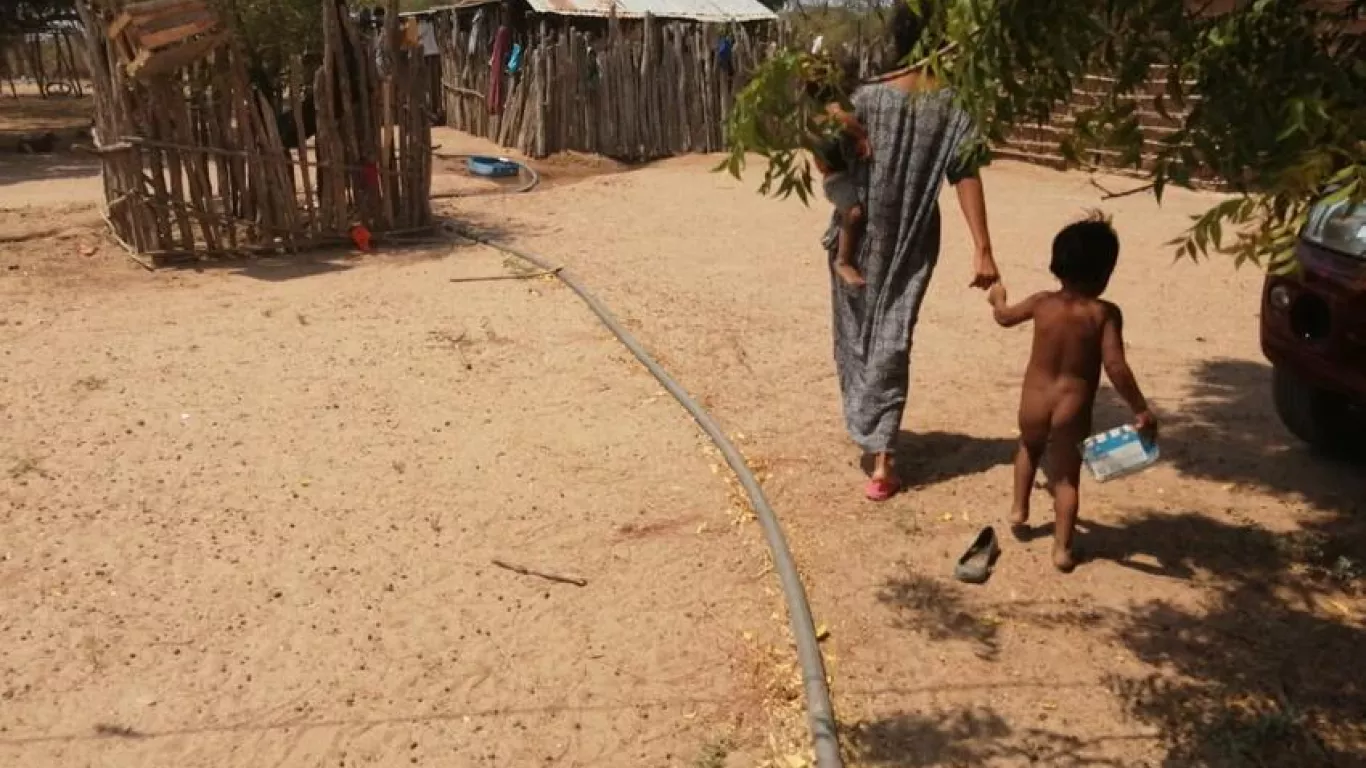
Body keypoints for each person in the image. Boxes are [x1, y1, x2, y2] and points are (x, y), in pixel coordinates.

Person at [827, 0, 1000, 501]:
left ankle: (880, 448)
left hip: (866, 233)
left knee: (865, 334)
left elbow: (827, 151)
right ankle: (879, 442)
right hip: (911, 236)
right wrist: (983, 249)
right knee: (892, 335)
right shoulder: (952, 105)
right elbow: (966, 174)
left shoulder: (865, 97)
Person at [986, 212, 1157, 572]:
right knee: (1066, 478)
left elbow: (1003, 317)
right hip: (1072, 406)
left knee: (1028, 447)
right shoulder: (1103, 314)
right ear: (1105, 273)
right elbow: (1116, 367)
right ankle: (1062, 550)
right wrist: (1140, 408)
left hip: (1034, 399)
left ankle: (1019, 509)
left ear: (1057, 264)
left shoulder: (1041, 302)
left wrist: (998, 297)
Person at [806, 56, 870, 287]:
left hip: (840, 175)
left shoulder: (821, 117)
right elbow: (842, 119)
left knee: (852, 211)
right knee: (853, 212)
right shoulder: (827, 113)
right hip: (836, 179)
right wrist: (861, 136)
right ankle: (843, 260)